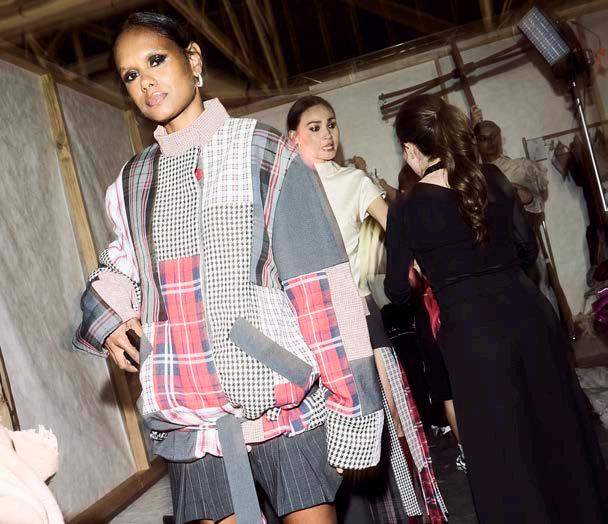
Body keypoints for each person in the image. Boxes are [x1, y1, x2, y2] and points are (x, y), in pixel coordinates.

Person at [72, 13, 385, 524]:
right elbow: (121, 265)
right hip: (191, 418)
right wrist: (108, 320)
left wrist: (353, 405)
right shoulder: (133, 180)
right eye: (131, 75)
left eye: (156, 60)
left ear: (193, 59)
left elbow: (325, 288)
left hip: (278, 401)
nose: (146, 81)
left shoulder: (263, 150)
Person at [385, 93, 608, 523]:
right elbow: (526, 250)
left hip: (474, 335)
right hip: (530, 314)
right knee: (559, 432)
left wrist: (427, 268)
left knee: (504, 451)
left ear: (410, 149)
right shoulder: (492, 177)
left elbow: (397, 291)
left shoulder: (406, 208)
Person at [287, 95, 446, 524]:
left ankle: (404, 513)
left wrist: (429, 263)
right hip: (305, 324)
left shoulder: (353, 181)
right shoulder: (281, 190)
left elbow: (400, 229)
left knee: (386, 416)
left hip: (356, 314)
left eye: (331, 124)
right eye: (315, 127)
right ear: (293, 137)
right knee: (323, 428)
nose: (327, 134)